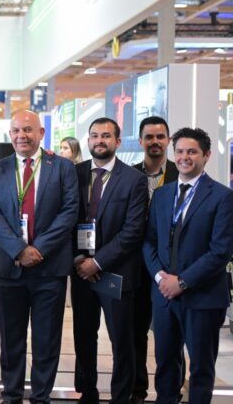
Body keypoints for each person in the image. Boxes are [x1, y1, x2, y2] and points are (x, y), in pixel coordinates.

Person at [0, 110, 78, 404]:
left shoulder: (62, 168)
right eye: (16, 130)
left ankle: (40, 397)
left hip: (49, 269)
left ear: (41, 133)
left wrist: (39, 249)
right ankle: (11, 396)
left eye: (27, 130)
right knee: (11, 340)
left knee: (46, 340)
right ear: (10, 134)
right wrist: (19, 249)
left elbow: (69, 211)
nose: (21, 136)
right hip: (8, 268)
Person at [143, 127, 233, 404]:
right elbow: (149, 241)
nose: (184, 157)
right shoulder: (162, 194)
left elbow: (220, 252)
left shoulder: (222, 196)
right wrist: (160, 277)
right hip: (164, 297)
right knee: (165, 363)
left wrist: (181, 282)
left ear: (206, 155)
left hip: (202, 297)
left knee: (201, 369)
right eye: (180, 151)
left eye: (192, 152)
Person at [70, 117, 148, 404]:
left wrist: (98, 262)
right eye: (94, 135)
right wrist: (80, 260)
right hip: (80, 271)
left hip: (116, 272)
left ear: (117, 141)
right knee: (83, 336)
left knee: (121, 340)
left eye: (105, 135)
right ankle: (87, 392)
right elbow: (65, 219)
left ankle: (121, 396)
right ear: (88, 140)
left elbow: (133, 230)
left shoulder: (134, 179)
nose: (99, 140)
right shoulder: (74, 174)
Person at [130, 116, 179, 404]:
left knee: (170, 335)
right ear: (141, 141)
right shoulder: (128, 175)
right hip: (135, 268)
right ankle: (137, 390)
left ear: (168, 140)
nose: (155, 142)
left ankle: (169, 393)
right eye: (149, 137)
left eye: (160, 136)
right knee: (135, 333)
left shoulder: (180, 173)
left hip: (170, 270)